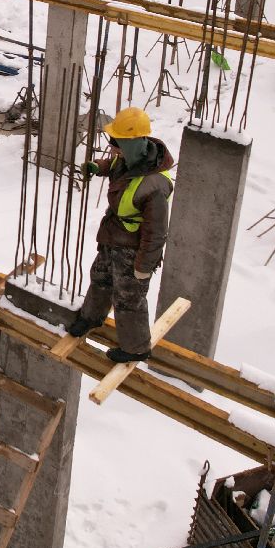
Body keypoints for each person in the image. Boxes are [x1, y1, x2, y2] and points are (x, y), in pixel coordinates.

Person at [65, 107, 175, 362]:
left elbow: (156, 233)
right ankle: (91, 317)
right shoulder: (128, 160)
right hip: (112, 236)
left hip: (133, 248)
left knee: (128, 296)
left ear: (134, 143)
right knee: (100, 277)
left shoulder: (155, 186)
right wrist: (97, 166)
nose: (112, 148)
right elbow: (113, 165)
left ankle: (136, 348)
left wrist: (144, 267)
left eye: (117, 142)